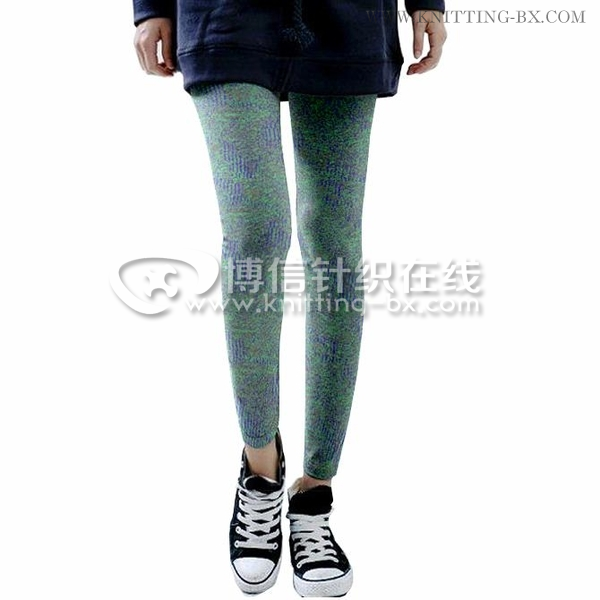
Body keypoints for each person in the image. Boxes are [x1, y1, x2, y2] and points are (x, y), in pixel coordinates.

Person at [132, 0, 447, 596]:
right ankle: (260, 468)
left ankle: (315, 490)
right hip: (225, 13)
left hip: (349, 16)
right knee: (255, 233)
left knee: (334, 245)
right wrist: (150, 6)